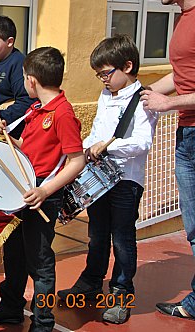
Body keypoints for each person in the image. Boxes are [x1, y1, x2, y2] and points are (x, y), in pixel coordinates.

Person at [0, 47, 85, 332]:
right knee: (14, 254)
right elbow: (32, 151)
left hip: (41, 196)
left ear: (32, 81)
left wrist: (46, 191)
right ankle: (11, 307)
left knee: (40, 262)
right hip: (23, 191)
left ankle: (43, 321)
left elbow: (77, 160)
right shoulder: (36, 109)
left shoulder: (62, 113)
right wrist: (7, 136)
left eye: (25, 78)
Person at [57, 35, 158, 324]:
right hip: (100, 178)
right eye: (99, 74)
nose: (102, 79)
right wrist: (84, 148)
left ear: (127, 66)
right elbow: (97, 131)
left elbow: (142, 143)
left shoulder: (143, 100)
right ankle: (90, 283)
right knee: (97, 235)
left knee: (123, 239)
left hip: (126, 180)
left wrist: (107, 146)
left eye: (106, 73)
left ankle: (121, 293)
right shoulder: (106, 96)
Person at [142, 0, 195, 320]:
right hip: (187, 134)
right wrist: (133, 93)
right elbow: (183, 76)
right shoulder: (183, 17)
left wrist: (167, 103)